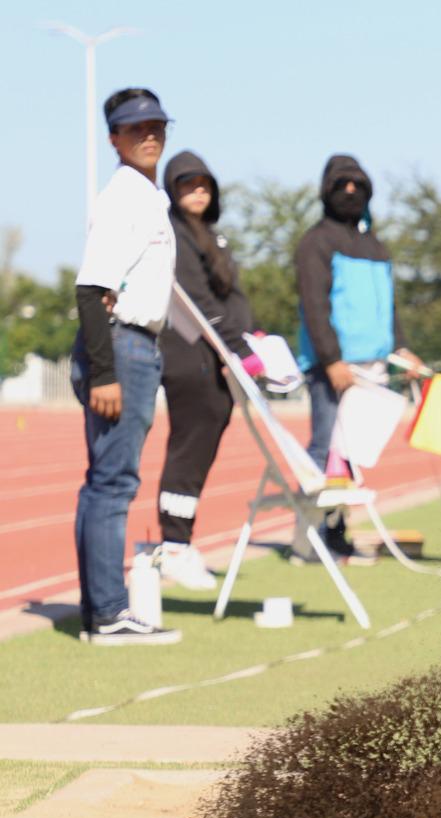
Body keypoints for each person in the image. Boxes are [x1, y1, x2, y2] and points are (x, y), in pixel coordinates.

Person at [70, 88, 180, 645]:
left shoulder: (145, 195)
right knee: (113, 485)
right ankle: (110, 613)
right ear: (114, 138)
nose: (149, 135)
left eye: (157, 125)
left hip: (133, 344)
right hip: (123, 346)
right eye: (136, 128)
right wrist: (105, 371)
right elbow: (92, 289)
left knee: (104, 484)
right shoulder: (126, 197)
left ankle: (100, 611)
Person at [293, 154, 422, 560]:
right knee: (323, 451)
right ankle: (305, 538)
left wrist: (401, 348)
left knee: (351, 457)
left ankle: (335, 530)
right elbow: (315, 305)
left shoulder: (376, 246)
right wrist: (331, 359)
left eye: (358, 185)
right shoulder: (315, 242)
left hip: (374, 367)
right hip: (334, 368)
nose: (350, 192)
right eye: (341, 185)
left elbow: (388, 307)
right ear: (326, 191)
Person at [154, 151, 262, 592]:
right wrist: (239, 349)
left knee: (203, 447)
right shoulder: (175, 234)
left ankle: (182, 541)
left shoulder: (211, 237)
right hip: (192, 358)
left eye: (203, 183)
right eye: (186, 183)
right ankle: (174, 547)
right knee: (189, 448)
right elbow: (199, 302)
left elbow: (231, 297)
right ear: (173, 189)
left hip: (218, 359)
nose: (196, 191)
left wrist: (252, 339)